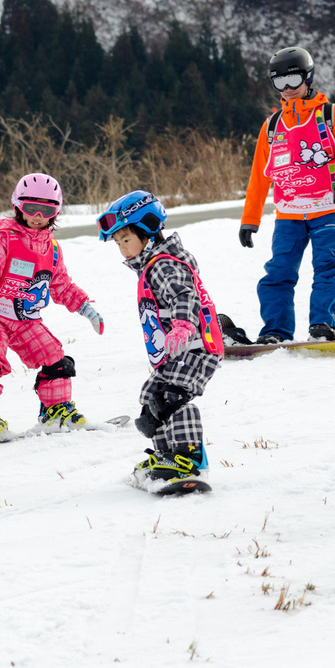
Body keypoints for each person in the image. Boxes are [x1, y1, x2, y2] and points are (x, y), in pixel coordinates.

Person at [97, 190, 223, 492]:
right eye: (117, 243)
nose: (122, 249)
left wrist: (181, 325)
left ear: (149, 232)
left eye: (126, 240)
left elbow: (184, 294)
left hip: (196, 348)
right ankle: (166, 455)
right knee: (150, 400)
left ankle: (187, 459)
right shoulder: (150, 264)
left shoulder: (163, 265)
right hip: (177, 351)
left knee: (171, 397)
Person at [0, 173, 104, 441]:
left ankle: (56, 411)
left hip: (25, 320)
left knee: (55, 357)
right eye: (31, 208)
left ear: (57, 211)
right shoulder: (2, 240)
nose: (38, 215)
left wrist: (86, 307)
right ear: (18, 206)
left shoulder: (51, 249)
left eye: (47, 209)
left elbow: (61, 285)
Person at [239, 46, 335, 344]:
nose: (288, 89)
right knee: (278, 273)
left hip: (327, 209)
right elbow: (259, 177)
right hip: (288, 215)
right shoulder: (272, 126)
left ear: (308, 78)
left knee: (327, 266)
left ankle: (323, 325)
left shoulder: (332, 115)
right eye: (279, 83)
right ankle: (275, 331)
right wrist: (249, 219)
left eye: (293, 80)